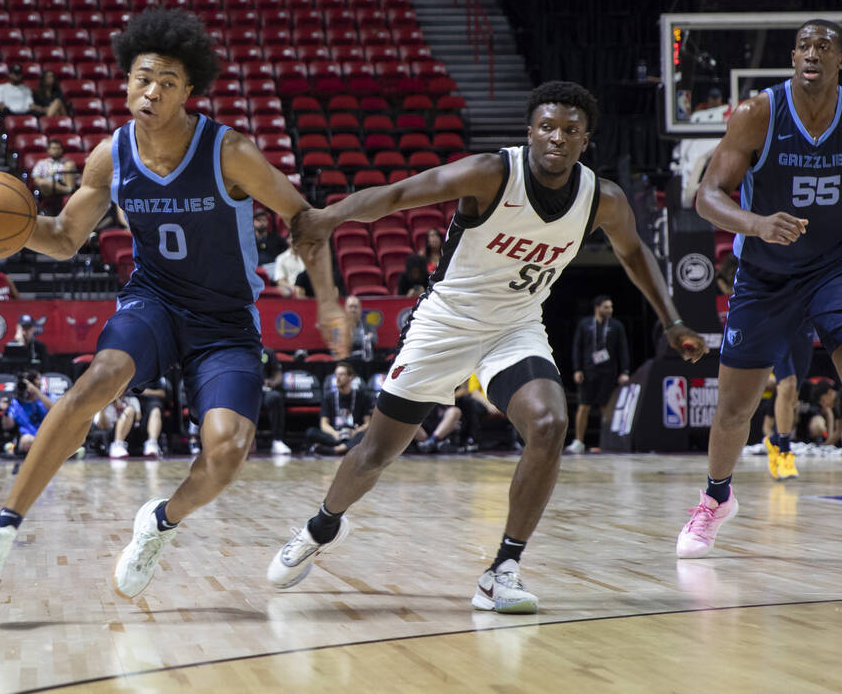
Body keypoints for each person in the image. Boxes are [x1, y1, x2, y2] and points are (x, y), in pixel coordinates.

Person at [267, 80, 707, 613]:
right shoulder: (493, 172)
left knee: (549, 424)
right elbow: (402, 193)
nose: (557, 138)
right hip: (445, 323)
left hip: (515, 325)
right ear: (530, 131)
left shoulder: (603, 199)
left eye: (570, 131)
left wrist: (672, 319)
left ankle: (503, 568)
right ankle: (321, 526)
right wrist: (329, 216)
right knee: (376, 453)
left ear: (585, 140)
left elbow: (635, 254)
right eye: (547, 127)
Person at [0, 8, 345, 597]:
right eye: (142, 78)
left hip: (224, 322)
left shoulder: (229, 151)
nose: (151, 91)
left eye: (166, 82)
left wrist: (329, 300)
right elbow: (61, 238)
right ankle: (0, 530)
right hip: (153, 301)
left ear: (189, 91)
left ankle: (160, 523)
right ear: (125, 82)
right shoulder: (111, 157)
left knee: (229, 449)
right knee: (96, 380)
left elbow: (305, 220)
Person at [676, 19, 842, 570]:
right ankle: (716, 498)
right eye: (803, 46)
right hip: (765, 274)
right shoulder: (757, 113)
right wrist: (754, 224)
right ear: (792, 57)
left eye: (823, 46)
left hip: (835, 269)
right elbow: (706, 196)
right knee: (735, 407)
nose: (811, 53)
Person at [568, 294, 629, 454]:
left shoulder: (616, 326)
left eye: (611, 307)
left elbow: (622, 350)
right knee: (584, 406)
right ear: (597, 308)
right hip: (588, 372)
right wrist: (577, 369)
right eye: (606, 307)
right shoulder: (585, 324)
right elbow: (577, 348)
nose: (610, 310)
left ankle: (605, 442)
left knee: (605, 407)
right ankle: (579, 441)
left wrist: (624, 371)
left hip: (608, 372)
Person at [762, 324, 814, 481]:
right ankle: (784, 451)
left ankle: (773, 441)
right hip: (777, 322)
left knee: (792, 396)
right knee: (787, 384)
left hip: (804, 326)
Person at [305, 361, 371, 455]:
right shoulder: (328, 397)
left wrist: (356, 431)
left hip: (353, 434)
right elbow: (324, 424)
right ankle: (347, 447)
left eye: (341, 375)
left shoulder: (362, 397)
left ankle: (336, 449)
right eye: (336, 375)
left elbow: (367, 423)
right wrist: (334, 433)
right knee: (310, 432)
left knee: (367, 435)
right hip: (336, 434)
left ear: (350, 377)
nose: (337, 378)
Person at [3, 369, 53, 456]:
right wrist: (5, 411)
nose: (40, 382)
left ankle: (12, 448)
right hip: (27, 437)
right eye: (38, 379)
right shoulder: (15, 402)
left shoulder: (47, 397)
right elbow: (7, 426)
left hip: (47, 435)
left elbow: (54, 409)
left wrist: (36, 391)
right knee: (27, 441)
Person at [30, 139, 78, 214]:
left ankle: (69, 191)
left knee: (70, 165)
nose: (56, 150)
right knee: (42, 183)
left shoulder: (66, 163)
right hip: (49, 187)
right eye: (54, 148)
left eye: (58, 148)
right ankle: (68, 190)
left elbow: (75, 178)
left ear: (62, 150)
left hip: (64, 182)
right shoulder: (42, 163)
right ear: (48, 150)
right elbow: (36, 179)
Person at [259, 346, 289, 455]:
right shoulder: (240, 351)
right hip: (245, 390)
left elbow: (278, 374)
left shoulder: (267, 352)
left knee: (275, 397)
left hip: (263, 391)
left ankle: (277, 441)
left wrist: (272, 382)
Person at [136, 376, 169, 457]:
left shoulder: (157, 376)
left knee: (156, 410)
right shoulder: (132, 373)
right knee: (128, 409)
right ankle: (118, 443)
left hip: (151, 403)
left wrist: (146, 392)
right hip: (134, 403)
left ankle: (152, 442)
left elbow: (163, 393)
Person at [344, 295, 377, 363]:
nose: (353, 310)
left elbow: (375, 340)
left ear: (360, 309)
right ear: (345, 309)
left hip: (366, 361)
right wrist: (366, 338)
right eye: (350, 307)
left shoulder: (368, 325)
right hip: (346, 362)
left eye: (356, 307)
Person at [253, 210, 287, 274]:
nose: (261, 223)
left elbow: (287, 250)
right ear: (253, 222)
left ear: (268, 222)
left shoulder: (275, 238)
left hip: (273, 267)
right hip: (255, 269)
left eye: (264, 220)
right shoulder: (249, 240)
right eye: (258, 220)